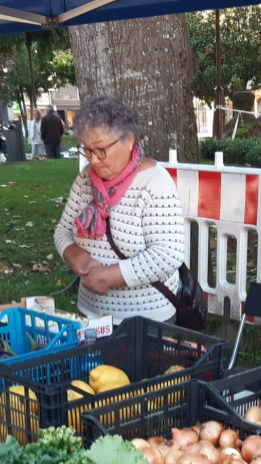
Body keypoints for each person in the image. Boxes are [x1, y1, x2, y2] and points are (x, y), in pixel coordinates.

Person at [53, 96, 185, 324]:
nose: (93, 159)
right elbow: (63, 231)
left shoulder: (155, 182)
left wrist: (110, 277)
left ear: (129, 140)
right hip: (91, 313)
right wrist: (79, 259)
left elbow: (167, 255)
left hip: (145, 320)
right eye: (87, 150)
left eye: (101, 149)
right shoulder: (85, 179)